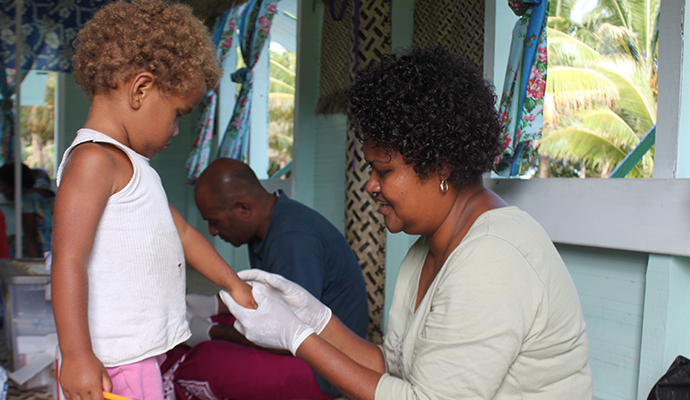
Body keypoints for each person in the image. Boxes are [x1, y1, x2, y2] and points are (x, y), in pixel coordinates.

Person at [221, 47, 594, 399]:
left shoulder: (494, 258)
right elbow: (392, 370)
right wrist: (315, 319)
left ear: (442, 165)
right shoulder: (425, 251)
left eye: (384, 170)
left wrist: (297, 337)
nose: (371, 185)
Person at [50, 2, 256, 400]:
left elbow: (180, 231)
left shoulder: (132, 165)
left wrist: (232, 283)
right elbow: (68, 259)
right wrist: (76, 355)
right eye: (178, 113)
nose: (177, 130)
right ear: (140, 89)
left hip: (140, 354)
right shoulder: (94, 160)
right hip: (111, 362)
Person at [165, 157, 368, 400]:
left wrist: (213, 332)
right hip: (308, 342)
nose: (213, 232)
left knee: (202, 364)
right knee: (214, 320)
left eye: (214, 221)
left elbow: (285, 334)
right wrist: (213, 305)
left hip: (330, 367)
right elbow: (266, 298)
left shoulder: (291, 240)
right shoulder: (270, 222)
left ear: (243, 209)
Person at [0, 162, 54, 258]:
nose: (1, 191)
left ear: (13, 185)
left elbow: (30, 237)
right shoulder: (43, 190)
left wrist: (35, 266)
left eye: (3, 187)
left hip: (47, 250)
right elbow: (40, 171)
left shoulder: (25, 200)